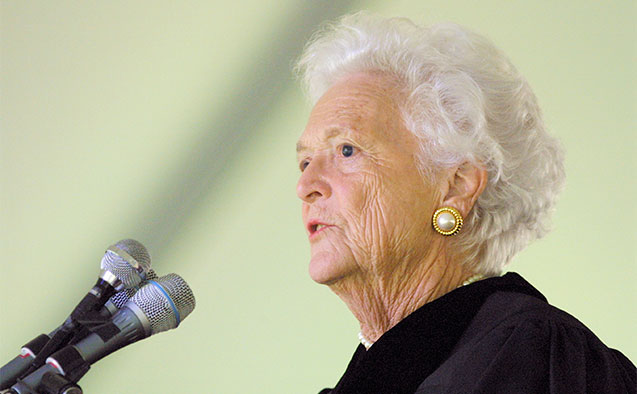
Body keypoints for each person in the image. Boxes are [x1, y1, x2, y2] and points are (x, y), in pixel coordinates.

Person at [294, 12, 635, 393]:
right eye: (305, 161)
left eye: (346, 150)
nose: (306, 185)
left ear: (456, 186)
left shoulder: (532, 354)